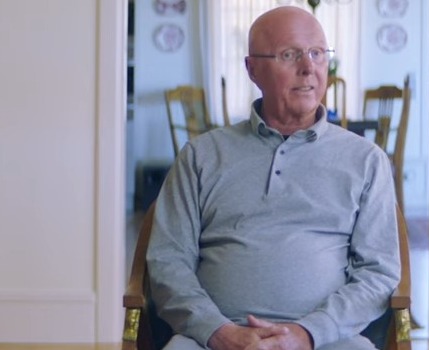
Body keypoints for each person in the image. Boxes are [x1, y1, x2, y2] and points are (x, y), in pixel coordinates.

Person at [147, 6, 400, 350]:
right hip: (211, 338)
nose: (308, 67)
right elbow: (167, 261)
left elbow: (378, 272)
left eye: (317, 53)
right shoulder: (201, 156)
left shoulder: (367, 160)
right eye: (289, 54)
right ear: (252, 69)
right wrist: (219, 332)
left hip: (328, 339)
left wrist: (308, 333)